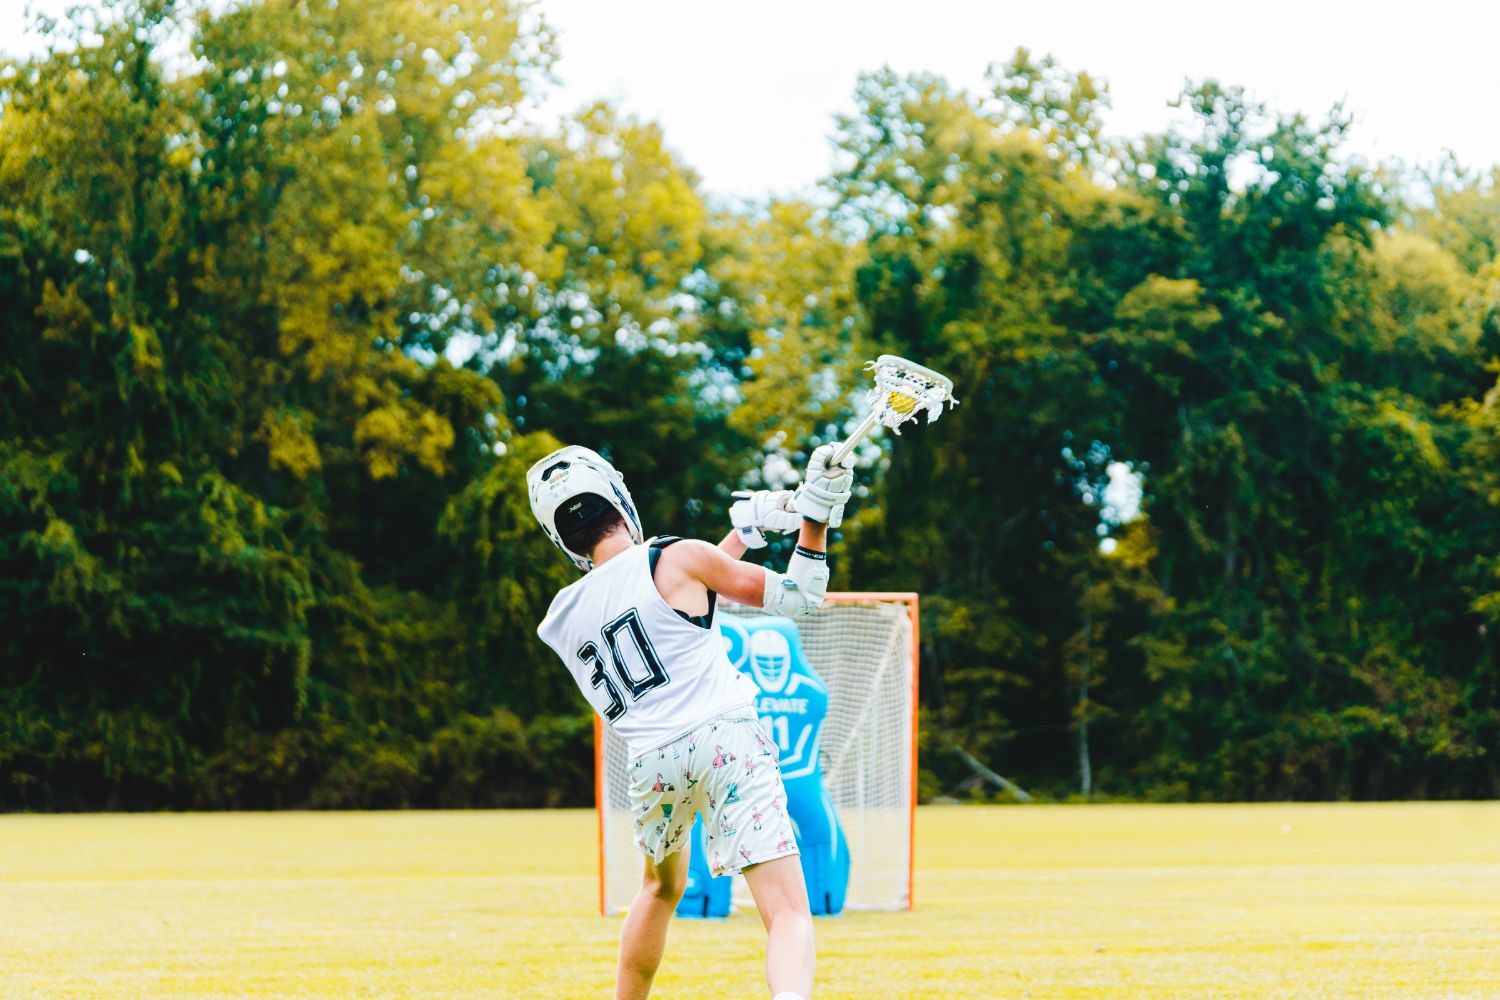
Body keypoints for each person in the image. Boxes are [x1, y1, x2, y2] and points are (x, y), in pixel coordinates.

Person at [527, 444, 853, 1000]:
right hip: (726, 736)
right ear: (620, 503)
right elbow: (800, 598)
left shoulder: (560, 615)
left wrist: (744, 533)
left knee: (658, 888)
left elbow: (672, 613)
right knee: (788, 913)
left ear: (563, 540)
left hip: (652, 760)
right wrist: (816, 515)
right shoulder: (675, 556)